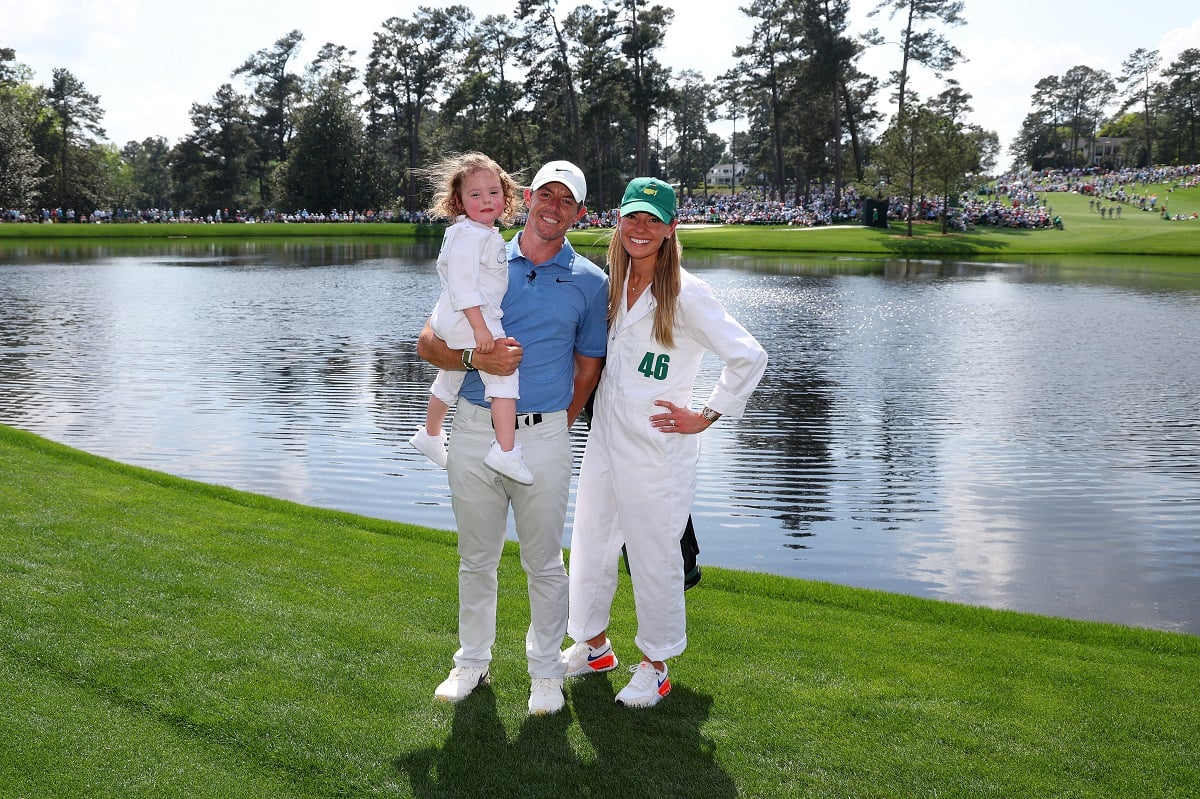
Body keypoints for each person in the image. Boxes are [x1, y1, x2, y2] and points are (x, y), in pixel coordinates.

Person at [562, 177, 767, 708]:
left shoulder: (688, 293)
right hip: (605, 435)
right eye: (633, 216)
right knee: (590, 542)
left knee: (654, 557)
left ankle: (656, 664)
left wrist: (706, 414)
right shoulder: (610, 285)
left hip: (658, 447)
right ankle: (593, 644)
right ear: (618, 222)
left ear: (671, 228)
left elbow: (749, 356)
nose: (641, 228)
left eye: (654, 219)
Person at [415, 160, 608, 715]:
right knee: (477, 559)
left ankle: (545, 671)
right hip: (475, 428)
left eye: (566, 200)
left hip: (545, 436)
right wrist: (478, 356)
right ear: (526, 197)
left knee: (545, 563)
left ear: (578, 212)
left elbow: (588, 366)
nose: (553, 206)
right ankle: (472, 662)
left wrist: (559, 424)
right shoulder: (484, 252)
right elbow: (429, 344)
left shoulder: (591, 282)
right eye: (545, 194)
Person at [409, 153, 533, 484]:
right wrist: (481, 330)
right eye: (474, 195)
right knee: (504, 374)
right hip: (469, 317)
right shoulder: (469, 235)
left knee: (451, 374)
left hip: (454, 317)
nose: (485, 200)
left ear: (506, 195)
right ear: (459, 201)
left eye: (493, 192)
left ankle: (430, 434)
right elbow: (464, 286)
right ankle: (506, 452)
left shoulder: (479, 232)